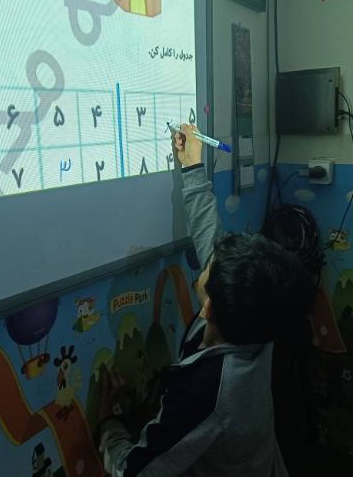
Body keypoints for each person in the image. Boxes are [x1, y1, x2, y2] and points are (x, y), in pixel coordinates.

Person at [96, 124, 315, 476]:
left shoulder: (206, 393)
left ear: (208, 306)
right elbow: (209, 235)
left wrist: (110, 426)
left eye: (209, 267)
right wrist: (192, 167)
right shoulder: (258, 322)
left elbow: (134, 471)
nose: (209, 257)